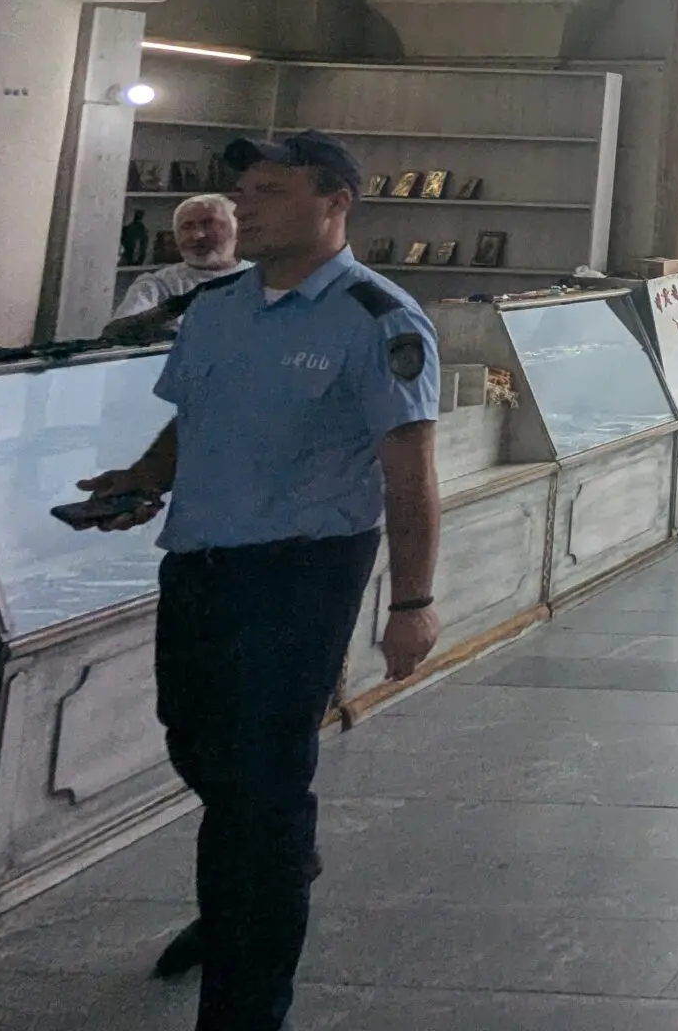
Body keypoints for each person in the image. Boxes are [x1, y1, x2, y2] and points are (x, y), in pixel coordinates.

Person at [73, 130, 441, 1028]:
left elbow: (411, 473)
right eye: (245, 192)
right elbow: (191, 421)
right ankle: (265, 871)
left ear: (334, 204)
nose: (246, 208)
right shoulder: (217, 310)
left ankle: (246, 993)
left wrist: (413, 604)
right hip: (200, 561)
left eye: (271, 191)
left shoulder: (377, 318)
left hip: (302, 573)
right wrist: (143, 481)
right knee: (197, 745)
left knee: (260, 784)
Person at [110, 193, 248, 328]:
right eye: (187, 227)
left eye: (209, 224)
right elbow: (123, 339)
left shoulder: (261, 276)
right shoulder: (156, 286)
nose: (197, 235)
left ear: (237, 229)